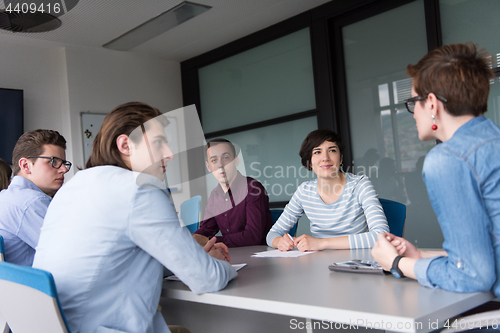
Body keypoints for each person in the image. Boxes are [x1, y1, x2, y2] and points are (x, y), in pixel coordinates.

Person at [33, 102, 237, 333]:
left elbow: (120, 261)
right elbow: (207, 278)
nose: (169, 154)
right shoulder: (139, 188)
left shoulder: (74, 187)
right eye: (159, 142)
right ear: (125, 144)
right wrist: (220, 265)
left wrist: (190, 258)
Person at [371, 43, 500, 300]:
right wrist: (420, 256)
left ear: (431, 103)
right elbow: (486, 254)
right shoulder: (492, 139)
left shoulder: (448, 158)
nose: (413, 113)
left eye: (413, 102)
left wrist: (396, 263)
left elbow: (473, 276)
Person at [267, 129, 389, 251]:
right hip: (319, 264)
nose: (325, 158)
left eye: (332, 150)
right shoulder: (304, 191)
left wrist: (321, 243)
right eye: (317, 152)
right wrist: (280, 242)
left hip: (357, 263)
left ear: (340, 159)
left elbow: (381, 236)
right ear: (310, 162)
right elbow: (272, 234)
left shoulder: (360, 185)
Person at [0, 129, 70, 266]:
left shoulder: (5, 197)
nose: (64, 169)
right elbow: (72, 255)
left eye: (64, 163)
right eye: (54, 161)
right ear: (26, 165)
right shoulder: (31, 202)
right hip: (33, 286)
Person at [193, 138, 273, 247]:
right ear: (208, 167)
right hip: (231, 254)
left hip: (258, 255)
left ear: (236, 161)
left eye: (226, 158)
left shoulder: (253, 189)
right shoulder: (214, 195)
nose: (220, 165)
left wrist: (209, 241)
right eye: (214, 160)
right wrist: (192, 239)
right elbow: (206, 230)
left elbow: (253, 236)